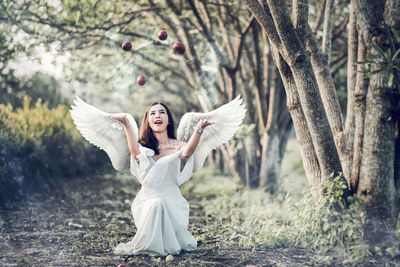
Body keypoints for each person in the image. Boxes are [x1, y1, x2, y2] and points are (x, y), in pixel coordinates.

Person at [109, 102, 214, 256]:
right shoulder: (142, 147)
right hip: (147, 200)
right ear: (148, 121)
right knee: (157, 204)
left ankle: (169, 241)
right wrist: (126, 123)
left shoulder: (178, 146)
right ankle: (151, 245)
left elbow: (187, 152)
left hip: (173, 200)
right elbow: (134, 152)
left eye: (162, 112)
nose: (157, 115)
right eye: (152, 113)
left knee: (162, 204)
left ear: (168, 120)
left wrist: (200, 128)